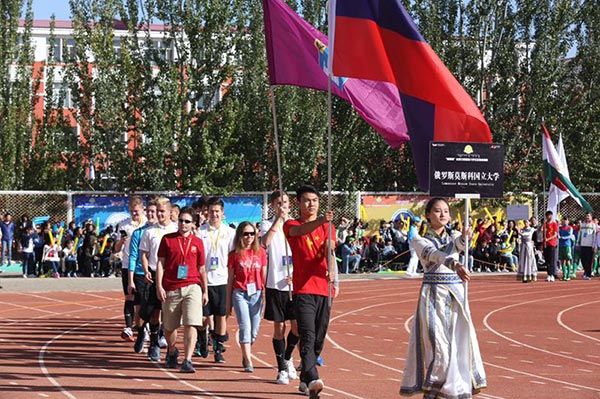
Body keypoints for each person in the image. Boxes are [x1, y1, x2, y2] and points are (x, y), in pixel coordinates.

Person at [400, 197, 486, 398]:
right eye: (437, 211)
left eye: (446, 211)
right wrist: (455, 263)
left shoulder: (454, 236)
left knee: (459, 344)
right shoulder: (419, 240)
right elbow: (436, 255)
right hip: (433, 296)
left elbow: (458, 245)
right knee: (438, 347)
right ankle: (433, 389)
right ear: (428, 215)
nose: (442, 215)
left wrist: (465, 238)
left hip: (456, 296)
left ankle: (453, 389)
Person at [283, 185, 337, 399]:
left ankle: (306, 378)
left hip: (324, 289)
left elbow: (329, 249)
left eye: (314, 200)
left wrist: (331, 269)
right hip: (303, 289)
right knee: (307, 334)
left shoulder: (328, 226)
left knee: (319, 339)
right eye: (306, 200)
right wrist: (321, 221)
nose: (311, 204)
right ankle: (313, 377)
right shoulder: (292, 224)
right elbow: (299, 232)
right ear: (298, 203)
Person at [156, 206, 208, 373]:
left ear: (193, 224)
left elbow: (201, 268)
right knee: (170, 327)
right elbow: (161, 264)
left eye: (187, 221)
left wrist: (205, 290)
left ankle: (188, 360)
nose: (183, 224)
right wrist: (159, 286)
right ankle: (172, 350)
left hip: (192, 286)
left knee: (191, 323)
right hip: (171, 287)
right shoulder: (167, 239)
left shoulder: (198, 242)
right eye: (181, 220)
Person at [260, 190, 299, 384]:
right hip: (275, 283)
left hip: (294, 282)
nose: (282, 206)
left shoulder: (296, 224)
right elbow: (264, 243)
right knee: (280, 326)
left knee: (297, 327)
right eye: (278, 203)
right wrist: (278, 220)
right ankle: (281, 368)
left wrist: (297, 273)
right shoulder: (267, 224)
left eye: (285, 203)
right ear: (272, 206)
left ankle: (288, 356)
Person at [195, 196, 235, 363]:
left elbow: (233, 257)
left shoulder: (229, 233)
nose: (214, 214)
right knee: (203, 318)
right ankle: (202, 338)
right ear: (207, 212)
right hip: (204, 280)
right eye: (211, 211)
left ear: (222, 213)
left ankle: (218, 348)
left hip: (222, 280)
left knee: (221, 315)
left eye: (217, 211)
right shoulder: (201, 232)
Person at [225, 221, 267, 372]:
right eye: (245, 234)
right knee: (245, 326)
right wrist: (228, 302)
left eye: (252, 234)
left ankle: (246, 350)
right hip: (240, 293)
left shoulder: (261, 252)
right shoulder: (234, 254)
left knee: (254, 331)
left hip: (256, 293)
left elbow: (264, 275)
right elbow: (230, 279)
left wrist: (265, 295)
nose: (249, 237)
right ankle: (248, 359)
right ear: (240, 235)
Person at [139, 197, 177, 361]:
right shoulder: (149, 231)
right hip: (154, 274)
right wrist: (146, 270)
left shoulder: (176, 230)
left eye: (163, 211)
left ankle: (171, 348)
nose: (160, 214)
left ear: (170, 212)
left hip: (172, 276)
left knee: (170, 315)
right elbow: (144, 254)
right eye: (157, 211)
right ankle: (154, 344)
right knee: (154, 313)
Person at [118, 196, 147, 342]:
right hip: (127, 265)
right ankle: (128, 327)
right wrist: (121, 242)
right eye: (131, 211)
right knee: (129, 295)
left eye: (136, 211)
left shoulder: (148, 223)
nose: (134, 214)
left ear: (143, 209)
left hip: (144, 266)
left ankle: (143, 326)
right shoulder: (124, 225)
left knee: (142, 299)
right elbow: (116, 249)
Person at [576, 213, 596, 280]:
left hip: (590, 246)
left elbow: (594, 236)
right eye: (586, 216)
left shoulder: (593, 225)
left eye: (589, 216)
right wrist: (578, 243)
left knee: (589, 260)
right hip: (583, 245)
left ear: (591, 217)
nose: (587, 217)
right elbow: (579, 234)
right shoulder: (582, 225)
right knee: (583, 260)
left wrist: (594, 245)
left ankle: (588, 274)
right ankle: (585, 272)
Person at [542, 211, 559, 282]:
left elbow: (555, 234)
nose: (549, 217)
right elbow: (541, 232)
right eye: (548, 215)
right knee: (547, 260)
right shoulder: (545, 225)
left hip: (552, 244)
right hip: (545, 244)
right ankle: (548, 274)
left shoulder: (554, 224)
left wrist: (548, 239)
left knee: (552, 260)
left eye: (550, 215)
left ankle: (552, 275)